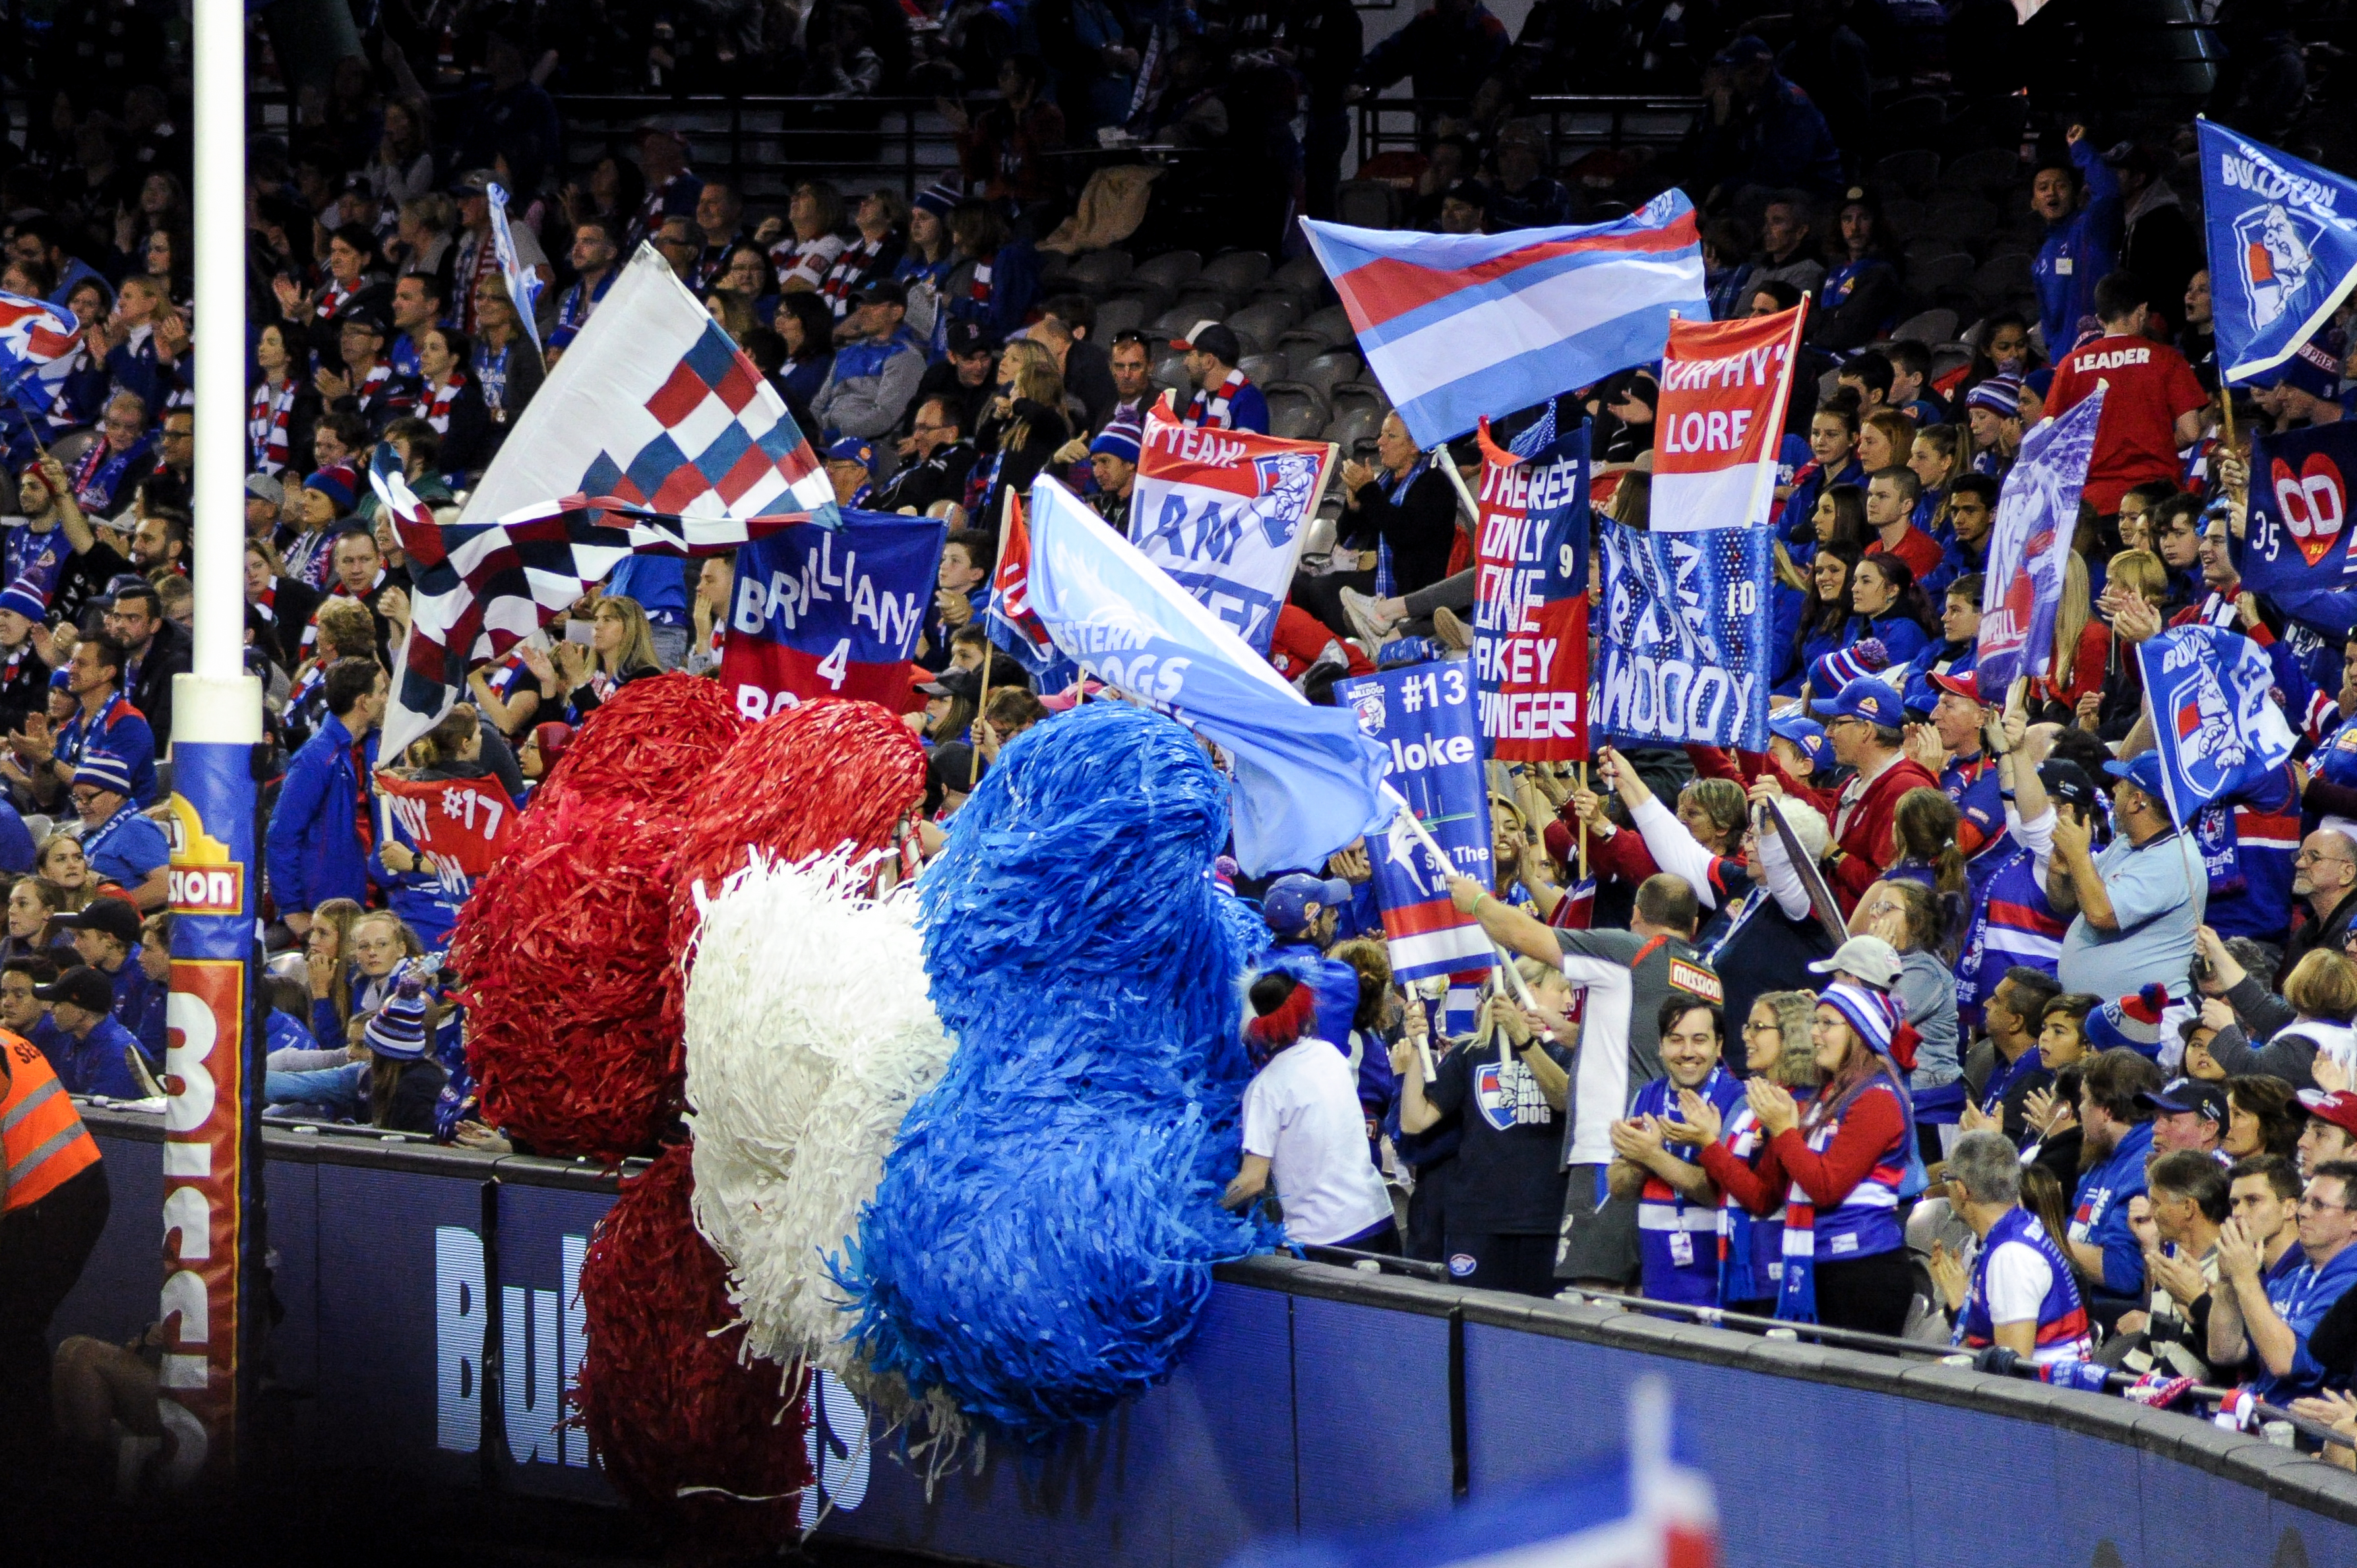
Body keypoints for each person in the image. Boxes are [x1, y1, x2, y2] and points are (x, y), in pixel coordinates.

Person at [1449, 869, 1719, 1290]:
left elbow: (1524, 936)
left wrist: (1477, 902)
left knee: (1594, 1293)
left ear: (1635, 915)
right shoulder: (1707, 974)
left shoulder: (1630, 951)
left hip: (1610, 1148)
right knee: (1642, 1293)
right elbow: (1647, 1042)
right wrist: (1572, 1031)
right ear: (1694, 925)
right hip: (1675, 1152)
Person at [1699, 981, 1914, 1331]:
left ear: (1859, 1032)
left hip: (1863, 1271)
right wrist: (1711, 1146)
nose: (1814, 1033)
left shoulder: (1877, 1099)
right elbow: (1766, 1194)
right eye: (1815, 1023)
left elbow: (1826, 1186)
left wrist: (1783, 1130)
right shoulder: (1827, 1099)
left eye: (1827, 1024)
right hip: (1820, 1266)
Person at [1397, 986, 1574, 1293]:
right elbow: (1414, 1121)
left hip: (1545, 1221)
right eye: (1562, 988)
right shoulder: (1470, 1053)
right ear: (1529, 989)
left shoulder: (1564, 1053)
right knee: (1477, 1330)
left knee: (1542, 1333)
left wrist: (1525, 1041)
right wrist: (1416, 1050)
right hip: (1476, 1221)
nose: (1570, 1000)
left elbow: (1566, 1100)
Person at [0, 1023, 109, 1468]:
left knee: (10, 1330)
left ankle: (29, 1458)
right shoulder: (7, 1039)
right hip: (71, 1192)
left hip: (52, 1202)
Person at [1227, 969, 1399, 1251]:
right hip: (1378, 1217)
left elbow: (1252, 1181)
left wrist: (1210, 1210)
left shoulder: (1265, 1088)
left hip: (1327, 1239)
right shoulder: (1330, 1055)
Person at [1606, 996, 1744, 1305]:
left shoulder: (1738, 1099)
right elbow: (1618, 1189)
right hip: (1659, 1277)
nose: (1687, 1052)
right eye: (1676, 1040)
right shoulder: (1646, 1096)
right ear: (1660, 1045)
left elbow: (1719, 1192)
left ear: (1719, 1046)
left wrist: (1652, 1156)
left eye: (1700, 1040)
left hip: (1720, 1278)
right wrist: (1638, 1159)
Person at [2044, 274, 2208, 518]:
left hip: (2092, 505)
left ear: (2100, 319)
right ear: (2142, 310)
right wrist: (2155, 443)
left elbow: (2049, 437)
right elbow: (2192, 431)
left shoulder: (2070, 366)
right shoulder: (2167, 359)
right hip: (2155, 502)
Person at [1932, 1128, 2095, 1366]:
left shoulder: (2010, 1256)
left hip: (2044, 1394)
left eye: (1947, 1179)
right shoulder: (2020, 1225)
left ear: (1962, 1190)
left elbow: (2010, 1372)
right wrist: (1961, 1305)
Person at [2052, 752, 2197, 998]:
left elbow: (2101, 914)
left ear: (2136, 801)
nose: (2115, 790)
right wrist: (2062, 861)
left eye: (2123, 785)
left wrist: (2078, 857)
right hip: (2106, 1013)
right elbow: (2064, 902)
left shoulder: (2173, 860)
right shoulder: (2126, 845)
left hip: (2145, 1018)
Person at [2215, 1161, 2357, 1403]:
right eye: (2304, 1201)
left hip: (2308, 1435)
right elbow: (2226, 1351)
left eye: (2319, 1205)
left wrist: (2246, 1279)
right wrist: (2228, 1278)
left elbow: (2286, 1362)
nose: (2303, 1212)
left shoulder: (2350, 1287)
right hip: (2265, 1419)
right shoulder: (2296, 1276)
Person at [266, 659, 383, 934]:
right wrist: (293, 909)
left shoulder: (373, 750)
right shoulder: (316, 758)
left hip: (369, 901)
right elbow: (282, 836)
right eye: (382, 692)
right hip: (324, 909)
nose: (386, 700)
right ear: (364, 702)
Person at [2066, 1048, 2166, 1313]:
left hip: (2113, 1312)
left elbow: (2123, 1273)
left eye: (2085, 1100)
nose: (2080, 1108)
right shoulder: (2103, 1158)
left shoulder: (2143, 1165)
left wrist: (2045, 1238)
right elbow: (2075, 1228)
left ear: (2107, 1112)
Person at [2031, 125, 2121, 359]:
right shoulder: (2040, 260)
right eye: (2043, 188)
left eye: (2061, 186)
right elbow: (2048, 322)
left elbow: (2108, 192)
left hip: (2102, 353)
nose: (2052, 193)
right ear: (2033, 202)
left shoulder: (2090, 228)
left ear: (2076, 193)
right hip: (2065, 360)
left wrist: (2080, 150)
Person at [813, 279, 927, 443]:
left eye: (872, 305)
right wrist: (807, 431)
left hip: (867, 449)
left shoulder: (905, 356)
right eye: (861, 305)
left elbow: (885, 416)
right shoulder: (848, 352)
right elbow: (819, 403)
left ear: (896, 312)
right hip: (828, 442)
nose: (862, 311)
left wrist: (832, 436)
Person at [522, 595, 663, 721]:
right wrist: (548, 683)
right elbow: (555, 734)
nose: (597, 626)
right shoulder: (590, 673)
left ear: (630, 629)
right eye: (596, 619)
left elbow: (609, 732)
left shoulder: (646, 676)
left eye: (607, 620)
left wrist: (578, 679)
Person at [64, 753, 168, 913]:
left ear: (117, 794)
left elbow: (165, 886)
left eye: (89, 797)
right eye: (76, 797)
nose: (80, 805)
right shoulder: (92, 830)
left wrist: (109, 911)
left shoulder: (135, 828)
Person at [32, 963, 146, 1099]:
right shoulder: (77, 1039)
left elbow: (102, 1116)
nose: (52, 1010)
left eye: (58, 1003)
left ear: (82, 1011)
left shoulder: (117, 1053)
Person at [1171, 323, 1269, 434]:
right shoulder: (1199, 400)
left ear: (1208, 361)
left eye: (1190, 355)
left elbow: (1251, 448)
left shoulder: (1249, 399)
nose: (1185, 362)